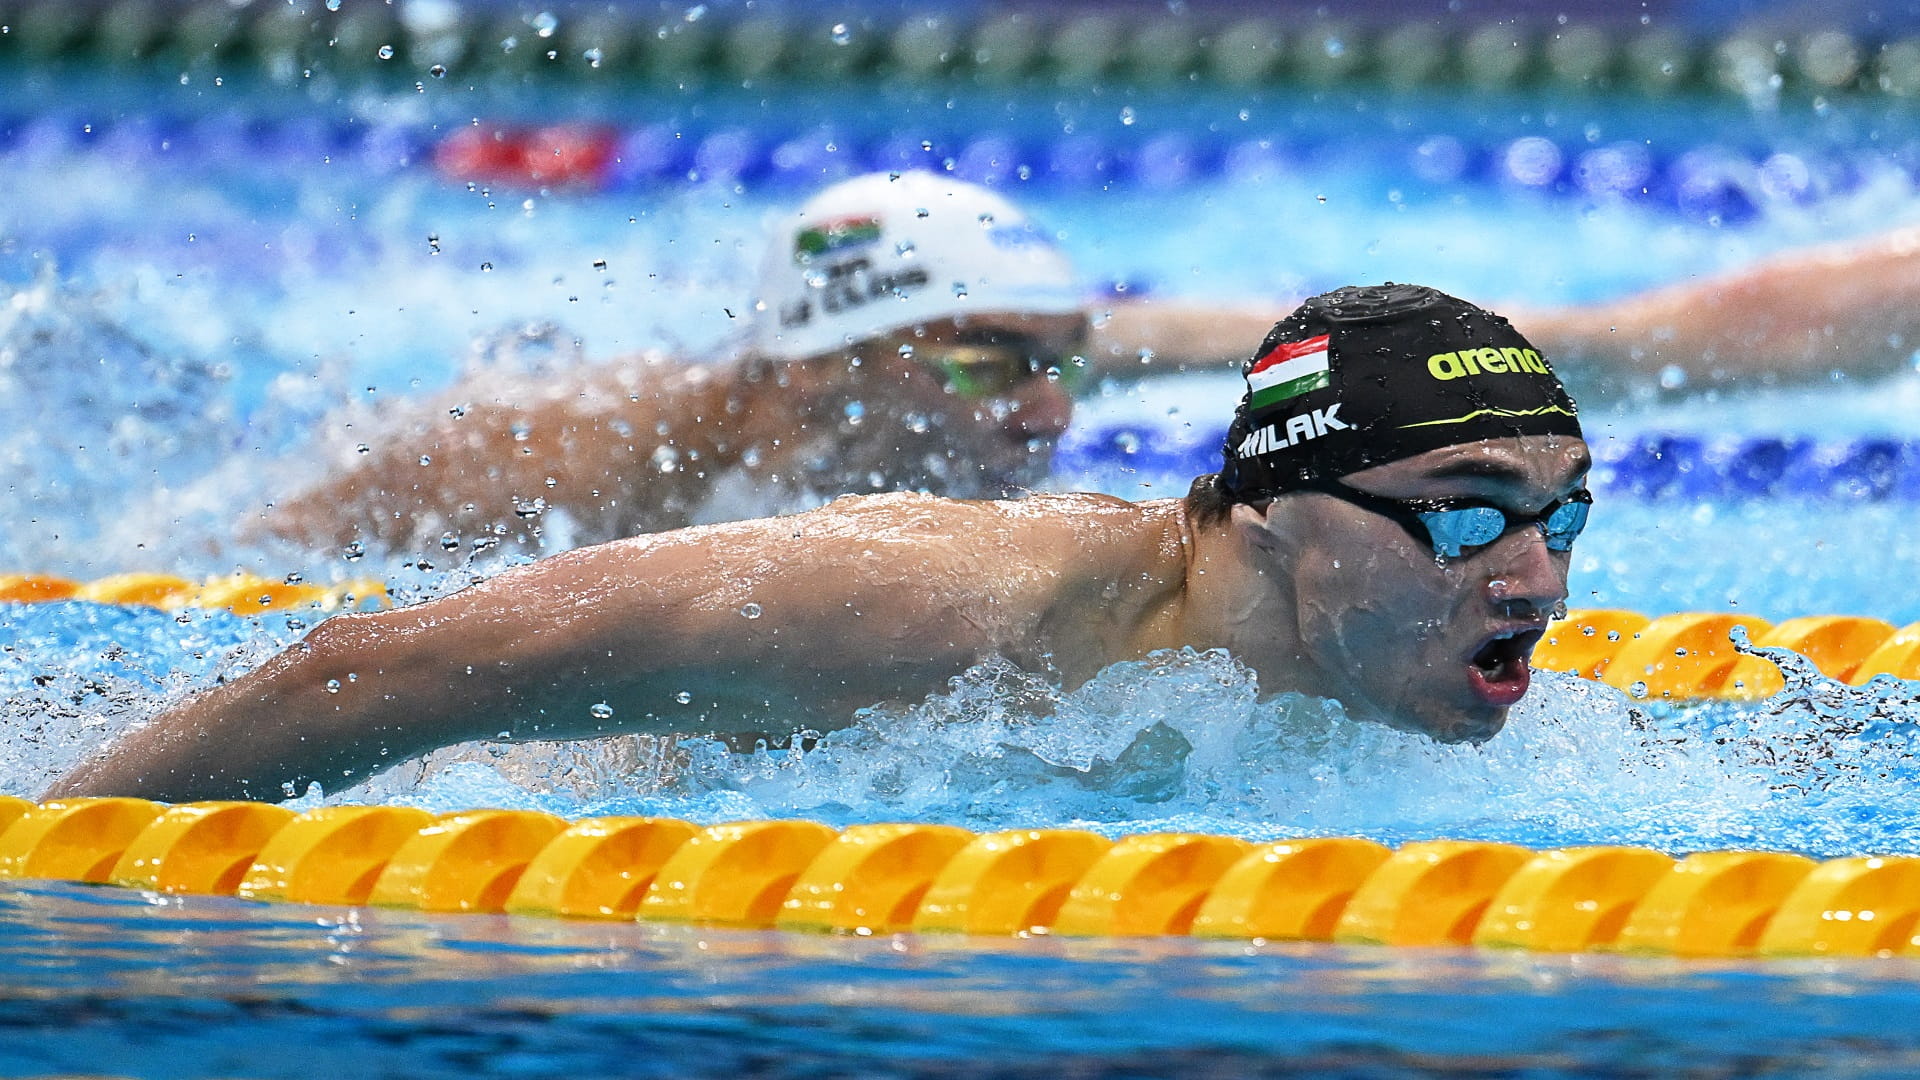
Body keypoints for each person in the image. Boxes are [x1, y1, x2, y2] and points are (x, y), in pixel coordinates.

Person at [51, 282, 1591, 802]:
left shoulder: (1395, 664)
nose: (1534, 578)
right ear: (1269, 510)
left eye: (1560, 515)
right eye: (1465, 514)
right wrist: (57, 859)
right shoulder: (936, 607)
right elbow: (395, 656)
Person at [257, 170, 1096, 558]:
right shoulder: (567, 459)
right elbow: (274, 552)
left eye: (1067, 367)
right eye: (989, 368)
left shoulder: (902, 413)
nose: (1053, 413)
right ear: (818, 366)